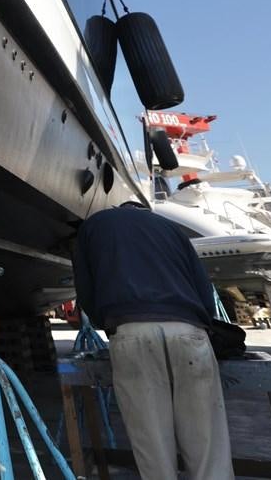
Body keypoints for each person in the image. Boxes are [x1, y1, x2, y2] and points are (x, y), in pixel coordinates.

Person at [74, 202, 233, 480]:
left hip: (131, 332)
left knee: (151, 441)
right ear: (146, 211)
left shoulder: (93, 226)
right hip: (188, 329)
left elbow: (85, 288)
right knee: (207, 439)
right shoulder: (172, 229)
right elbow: (202, 288)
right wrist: (204, 322)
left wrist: (105, 323)